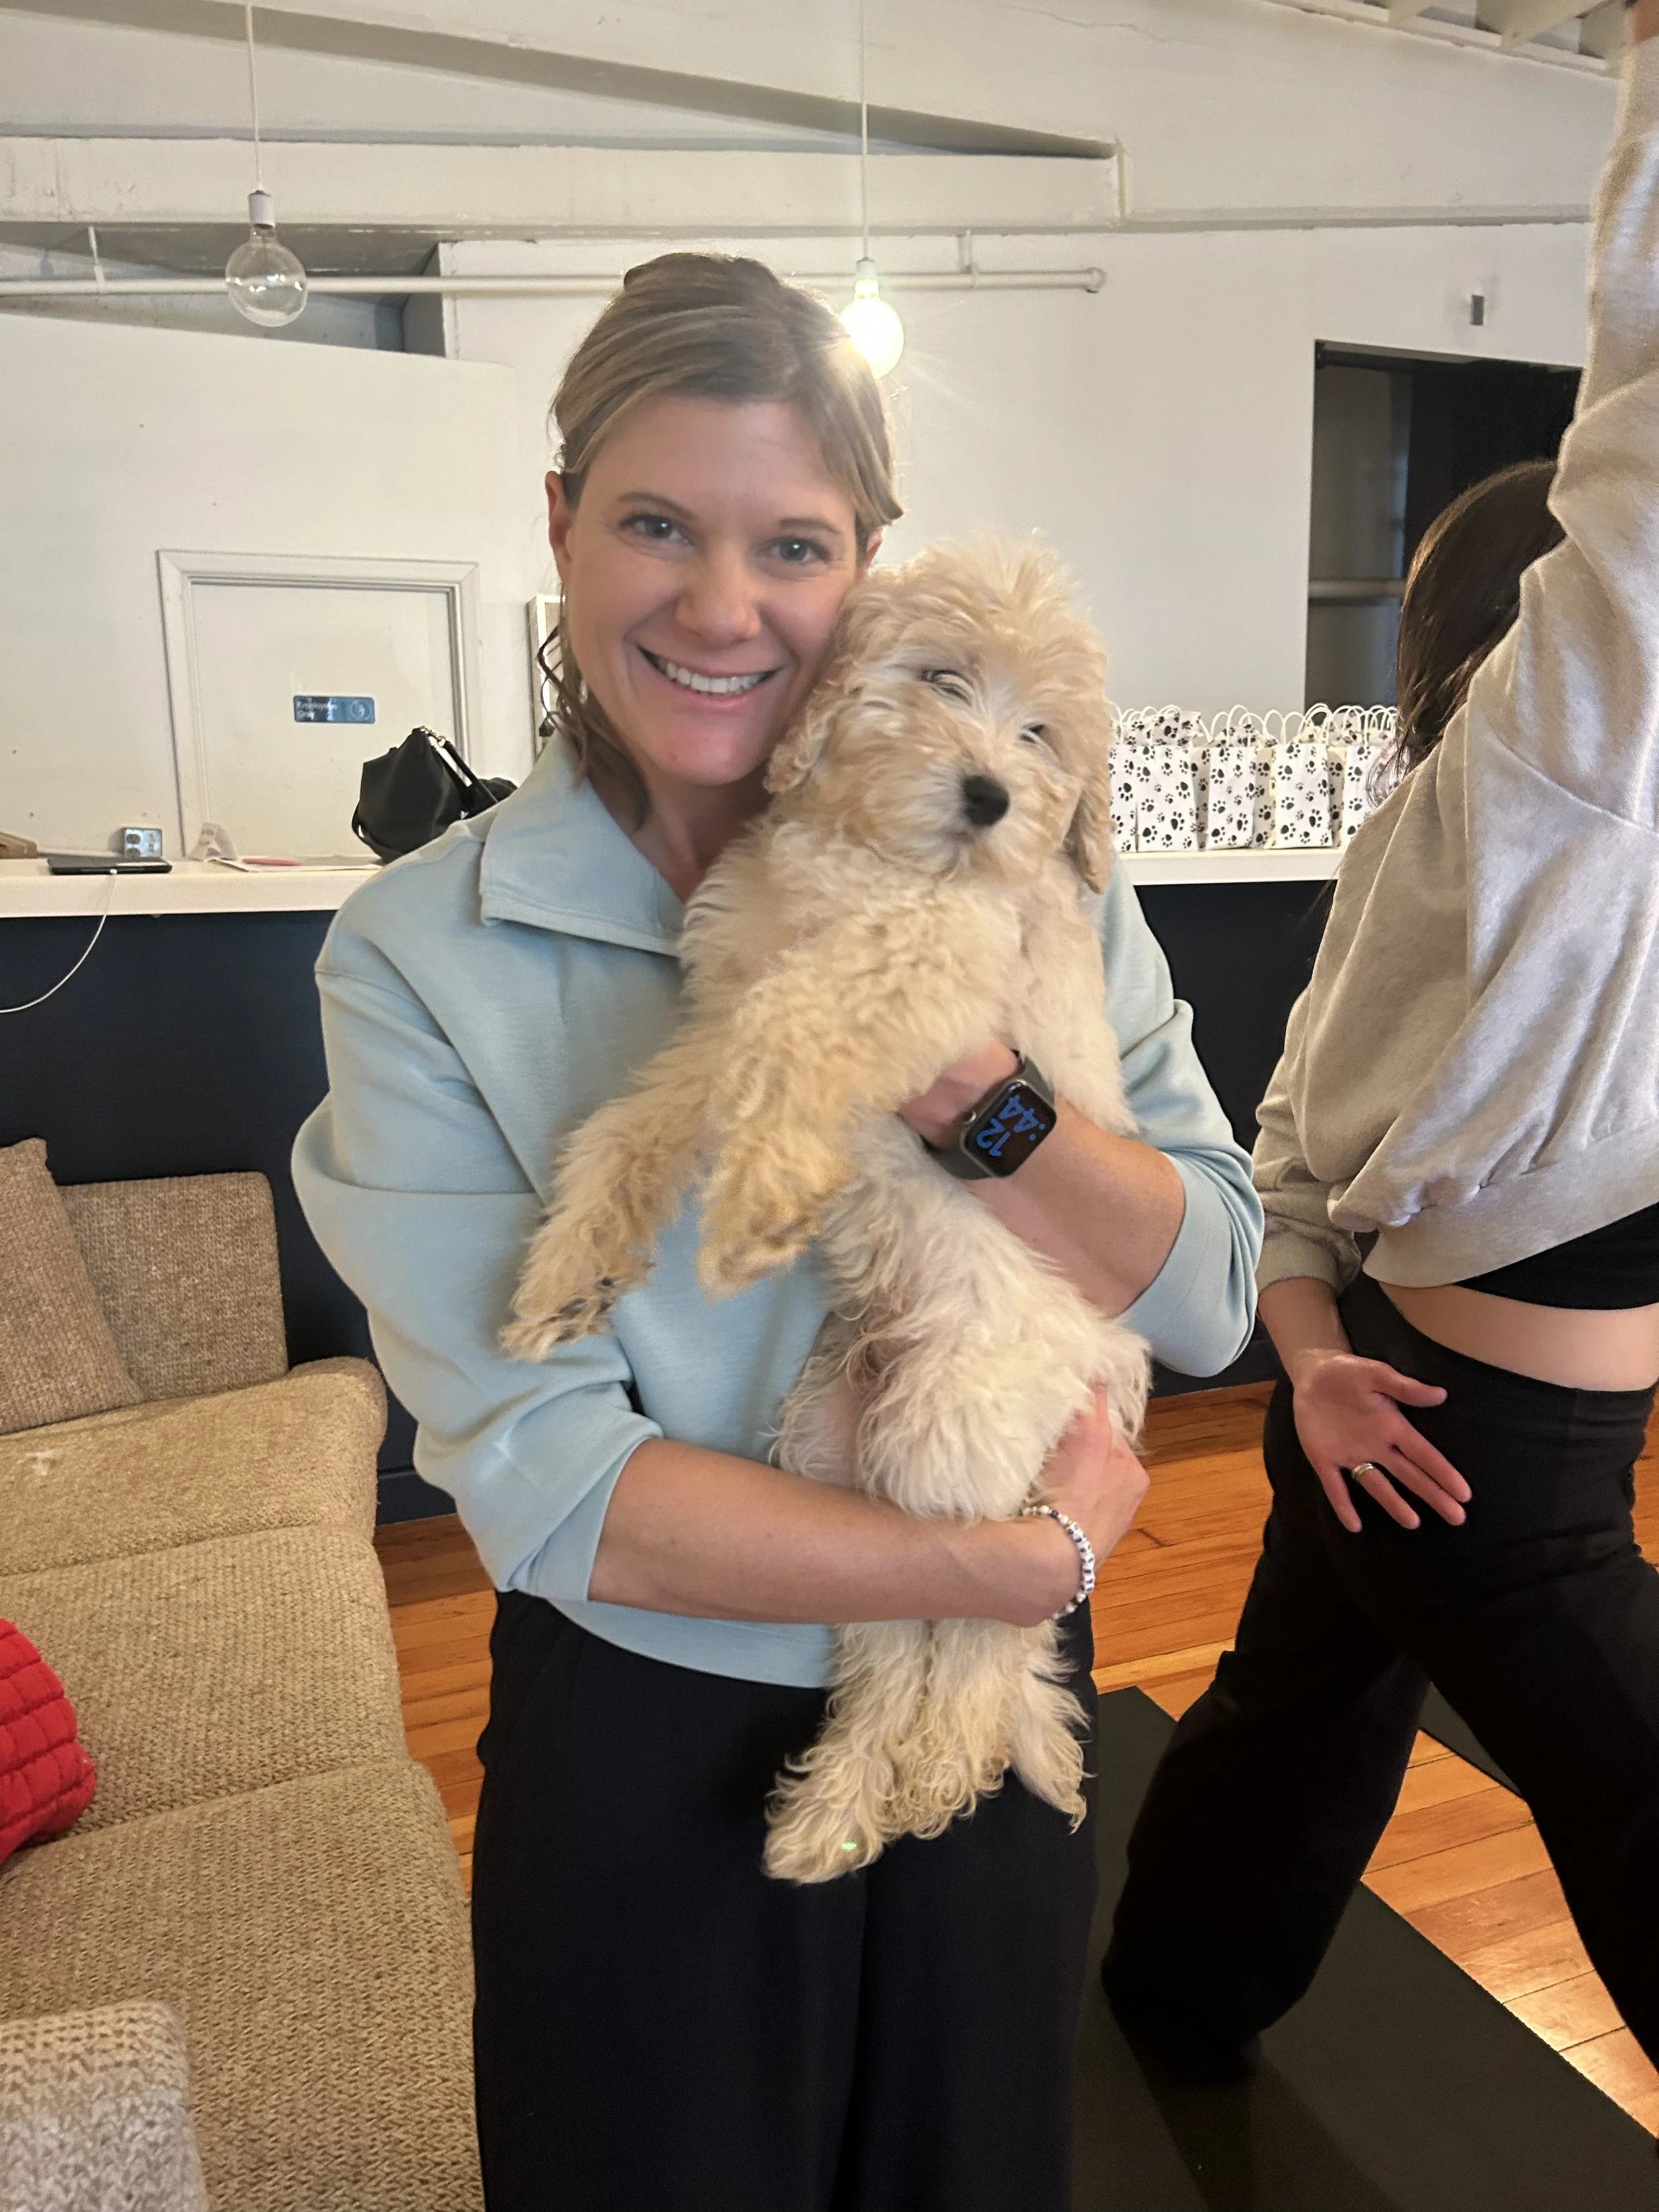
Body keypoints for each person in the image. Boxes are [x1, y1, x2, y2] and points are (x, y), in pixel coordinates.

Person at [293, 252, 1262, 2211]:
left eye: (792, 544)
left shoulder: (1036, 867)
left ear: (871, 567)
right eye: (656, 523)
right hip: (652, 1743)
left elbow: (1210, 1284)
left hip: (978, 1740)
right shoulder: (419, 954)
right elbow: (563, 1487)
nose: (723, 605)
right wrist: (1023, 1558)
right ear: (559, 524)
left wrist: (960, 1084)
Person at [1104, 3, 1659, 2087]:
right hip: (1479, 1478)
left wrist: (1311, 1352)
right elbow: (1644, 461)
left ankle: (1170, 1997)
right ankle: (1170, 1989)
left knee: (1291, 1720)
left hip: (1389, 1421)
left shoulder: (1466, 850)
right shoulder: (1548, 791)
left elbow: (1292, 1142)